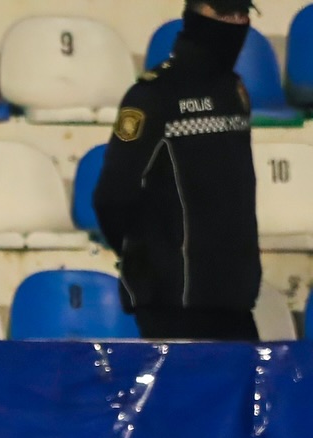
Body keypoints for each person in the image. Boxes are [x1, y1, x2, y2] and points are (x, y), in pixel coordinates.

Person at [94, 0, 260, 343]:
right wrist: (147, 258)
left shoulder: (234, 90)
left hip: (234, 300)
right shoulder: (151, 95)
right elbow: (112, 195)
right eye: (224, 12)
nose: (236, 22)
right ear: (195, 14)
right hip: (173, 303)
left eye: (242, 13)